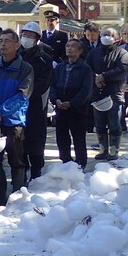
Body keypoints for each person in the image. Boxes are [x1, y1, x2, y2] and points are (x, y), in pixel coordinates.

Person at [0, 29, 34, 207]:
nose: (3, 44)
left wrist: (1, 111)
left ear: (17, 44)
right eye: (0, 41)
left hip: (13, 121)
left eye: (7, 41)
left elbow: (23, 95)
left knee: (17, 159)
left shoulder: (25, 68)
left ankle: (17, 196)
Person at [50, 39, 93, 168]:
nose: (69, 48)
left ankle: (80, 162)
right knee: (62, 137)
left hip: (77, 109)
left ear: (80, 51)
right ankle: (66, 160)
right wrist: (55, 99)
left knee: (78, 137)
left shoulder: (85, 68)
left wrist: (72, 103)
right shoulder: (60, 67)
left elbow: (86, 90)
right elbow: (52, 85)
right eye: (67, 46)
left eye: (73, 46)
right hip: (60, 107)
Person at [19, 22, 53, 180]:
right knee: (19, 141)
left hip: (35, 104)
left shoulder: (44, 59)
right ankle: (21, 170)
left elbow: (42, 83)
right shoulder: (16, 55)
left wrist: (25, 94)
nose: (27, 38)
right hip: (16, 105)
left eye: (30, 36)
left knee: (36, 139)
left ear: (37, 39)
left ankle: (36, 171)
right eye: (24, 35)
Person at [89, 26, 128, 160]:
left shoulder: (122, 53)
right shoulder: (94, 52)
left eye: (110, 35)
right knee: (99, 124)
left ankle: (114, 150)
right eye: (105, 34)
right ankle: (103, 149)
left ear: (116, 38)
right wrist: (96, 78)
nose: (107, 36)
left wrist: (104, 76)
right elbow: (87, 67)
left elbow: (122, 69)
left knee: (114, 123)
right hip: (97, 93)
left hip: (114, 93)